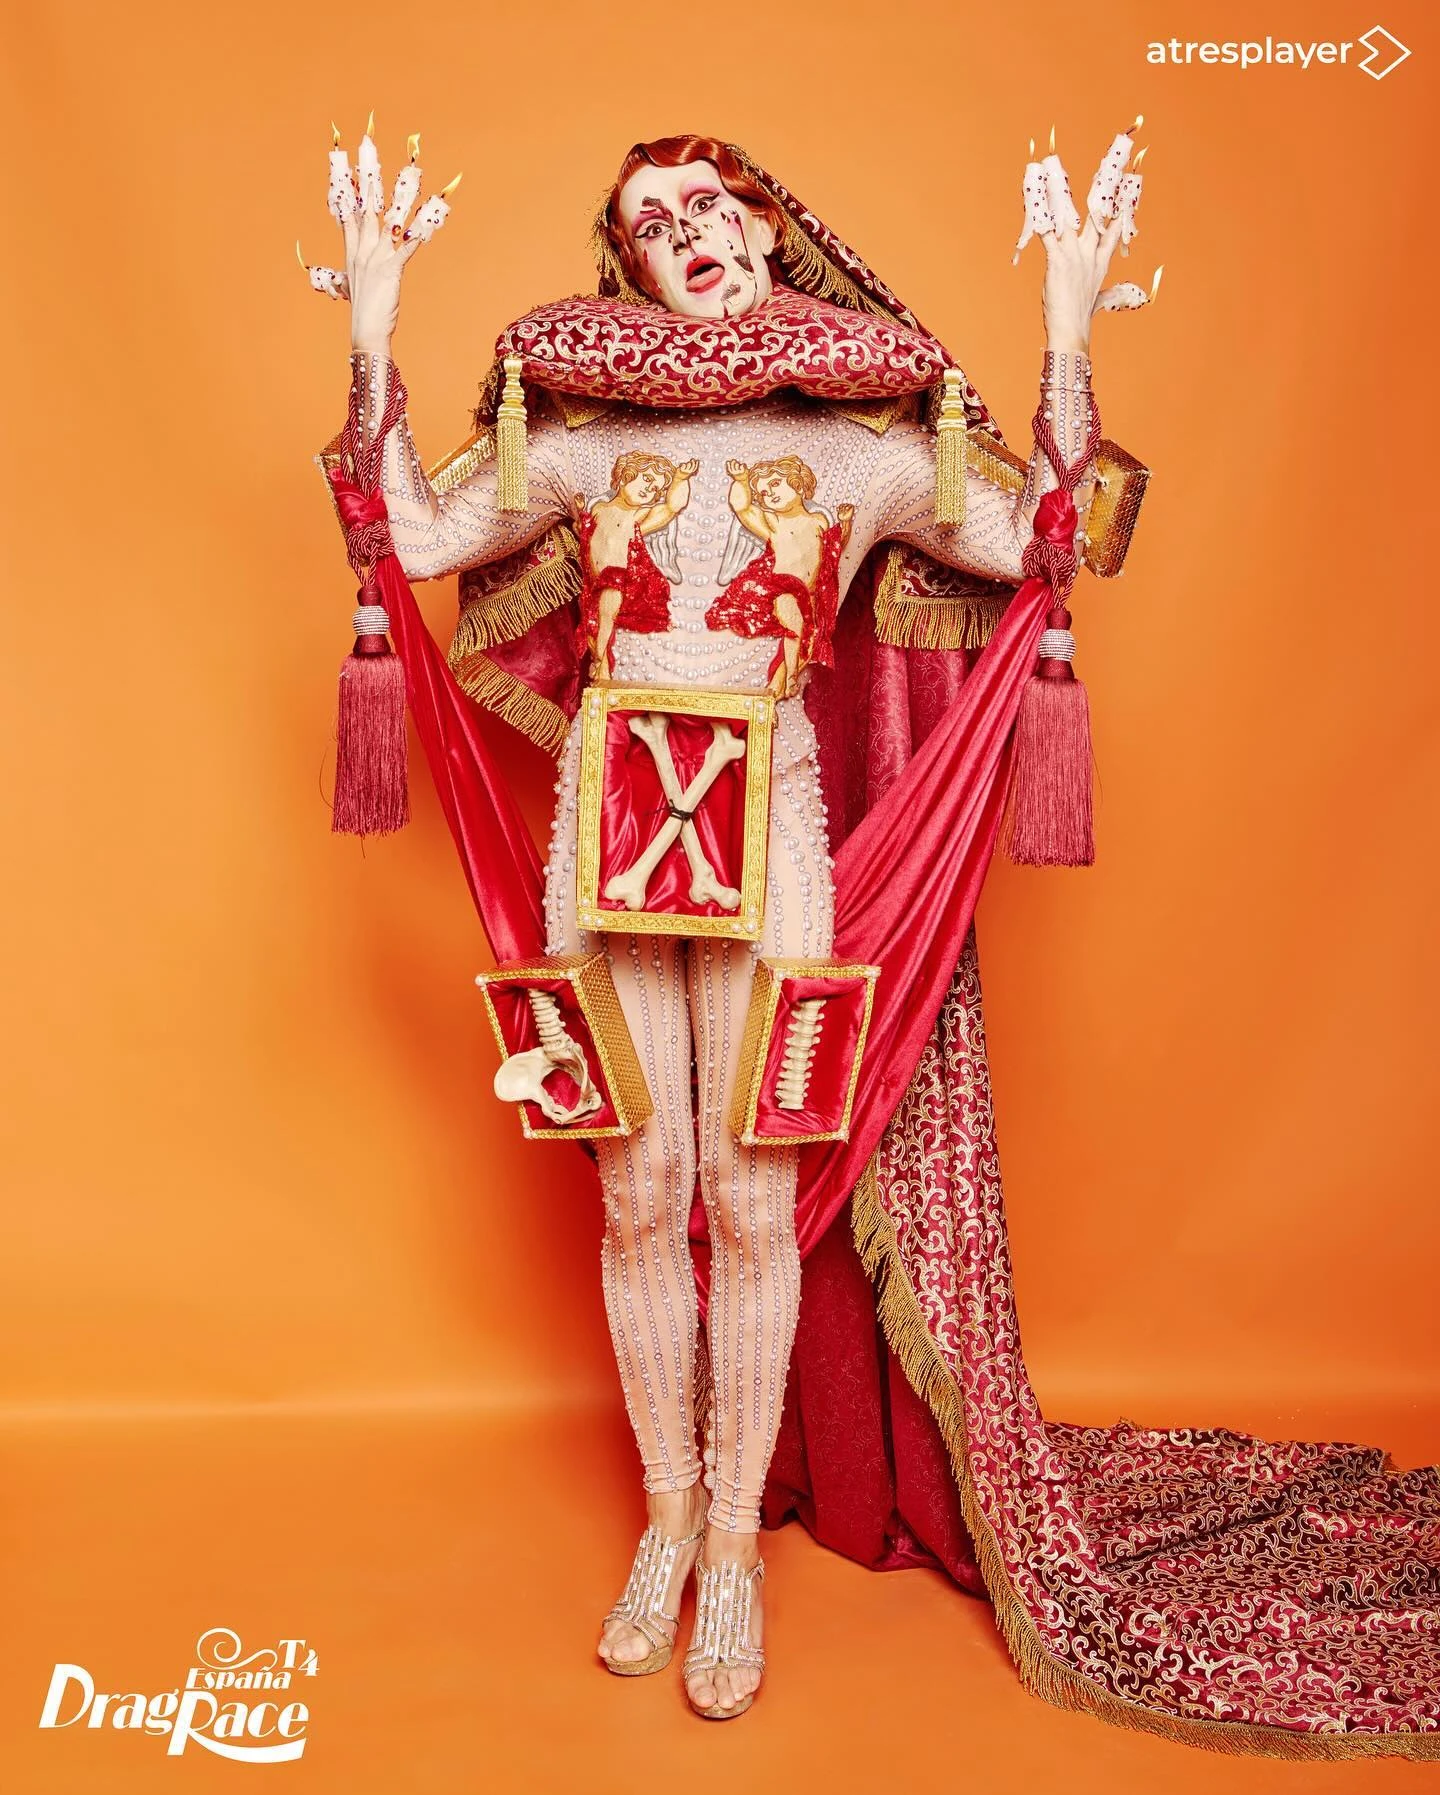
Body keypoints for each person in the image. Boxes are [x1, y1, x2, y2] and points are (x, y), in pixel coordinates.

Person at [327, 131, 1116, 1722]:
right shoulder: (580, 439)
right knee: (640, 1193)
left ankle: (737, 1551)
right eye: (649, 225)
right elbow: (407, 537)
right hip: (603, 830)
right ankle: (669, 1522)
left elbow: (1053, 535)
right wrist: (372, 324)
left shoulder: (865, 452)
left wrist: (1068, 326)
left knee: (750, 1203)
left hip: (778, 832)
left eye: (707, 207)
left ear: (763, 233)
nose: (685, 233)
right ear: (631, 273)